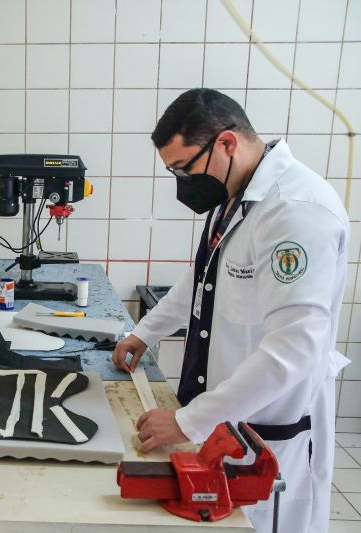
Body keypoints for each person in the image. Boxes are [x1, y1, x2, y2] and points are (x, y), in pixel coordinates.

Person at [111, 88, 350, 533]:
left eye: (185, 168)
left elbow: (295, 347)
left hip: (270, 431)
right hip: (227, 419)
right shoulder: (237, 198)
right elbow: (203, 279)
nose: (183, 183)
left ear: (226, 143)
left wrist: (188, 420)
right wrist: (146, 332)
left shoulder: (294, 213)